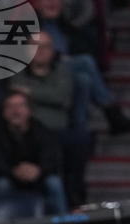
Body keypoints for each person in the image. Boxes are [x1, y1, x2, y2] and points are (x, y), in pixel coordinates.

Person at [9, 31, 92, 206]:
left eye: (46, 46)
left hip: (58, 131)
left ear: (53, 51)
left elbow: (62, 98)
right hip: (29, 135)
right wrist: (49, 98)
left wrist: (30, 93)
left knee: (81, 138)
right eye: (35, 46)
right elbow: (16, 97)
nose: (40, 51)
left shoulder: (62, 72)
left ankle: (75, 193)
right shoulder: (18, 74)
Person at [35, 0, 130, 134]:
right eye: (47, 1)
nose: (52, 4)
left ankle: (79, 130)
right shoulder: (31, 24)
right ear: (37, 4)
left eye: (56, 1)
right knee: (86, 61)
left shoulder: (64, 23)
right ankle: (111, 111)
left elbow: (82, 44)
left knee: (84, 80)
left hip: (65, 70)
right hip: (44, 71)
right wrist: (60, 58)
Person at [0, 92, 68, 214]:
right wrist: (14, 171)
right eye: (10, 106)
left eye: (20, 106)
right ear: (4, 113)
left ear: (29, 110)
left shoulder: (43, 131)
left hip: (38, 177)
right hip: (11, 177)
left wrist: (38, 170)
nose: (16, 111)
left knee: (54, 183)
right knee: (2, 184)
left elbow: (52, 160)